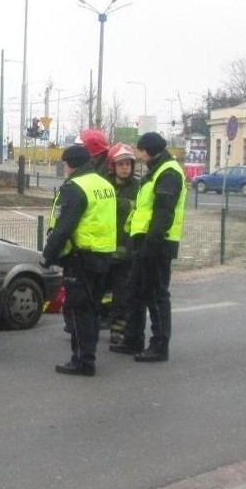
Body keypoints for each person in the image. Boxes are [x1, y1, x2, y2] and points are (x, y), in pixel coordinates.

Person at [110, 132, 186, 363]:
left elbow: (163, 214)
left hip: (157, 244)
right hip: (142, 242)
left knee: (156, 296)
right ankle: (132, 339)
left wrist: (150, 245)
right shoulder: (155, 171)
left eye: (140, 151)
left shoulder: (169, 173)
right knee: (134, 292)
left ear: (149, 150)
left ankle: (159, 346)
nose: (138, 156)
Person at [41, 144, 116, 377]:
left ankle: (83, 360)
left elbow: (64, 226)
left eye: (65, 163)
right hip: (104, 254)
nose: (64, 167)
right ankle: (88, 354)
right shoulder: (105, 185)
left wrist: (48, 256)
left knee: (79, 309)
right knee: (93, 308)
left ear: (70, 163)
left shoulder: (75, 187)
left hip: (81, 256)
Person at [103, 143, 140, 346]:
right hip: (103, 250)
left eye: (128, 164)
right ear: (113, 166)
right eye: (121, 164)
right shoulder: (104, 184)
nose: (125, 168)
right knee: (100, 292)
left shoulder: (138, 187)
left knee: (121, 294)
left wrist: (116, 203)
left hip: (126, 252)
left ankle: (117, 330)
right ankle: (95, 323)